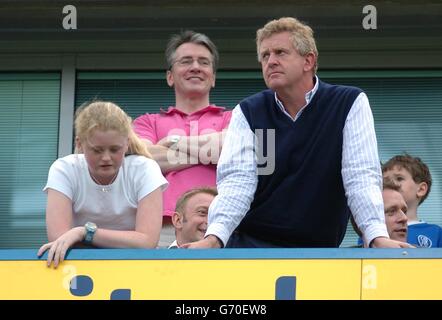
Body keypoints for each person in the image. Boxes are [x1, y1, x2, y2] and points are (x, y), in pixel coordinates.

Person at [183, 17, 413, 249]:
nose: (270, 61)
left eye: (280, 53)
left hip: (321, 251)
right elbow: (237, 182)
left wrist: (376, 237)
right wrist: (215, 238)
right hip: (250, 246)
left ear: (308, 61)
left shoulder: (349, 103)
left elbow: (360, 176)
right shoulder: (249, 111)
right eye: (265, 55)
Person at [37, 101, 168, 268]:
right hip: (77, 268)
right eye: (97, 150)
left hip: (135, 267)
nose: (106, 158)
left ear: (127, 143)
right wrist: (125, 242)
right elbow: (59, 238)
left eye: (114, 149)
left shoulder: (145, 169)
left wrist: (84, 232)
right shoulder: (64, 169)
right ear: (79, 144)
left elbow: (147, 241)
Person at [133, 30, 232, 248]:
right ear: (170, 76)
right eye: (186, 61)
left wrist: (173, 143)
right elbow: (143, 161)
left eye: (204, 62)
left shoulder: (233, 118)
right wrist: (209, 153)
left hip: (219, 227)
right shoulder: (146, 122)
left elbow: (231, 150)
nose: (195, 67)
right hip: (160, 229)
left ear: (213, 77)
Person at [383, 154, 442, 247]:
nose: (391, 183)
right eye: (385, 180)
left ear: (421, 189)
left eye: (399, 178)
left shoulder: (437, 233)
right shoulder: (374, 230)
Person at [350, 177, 409, 246]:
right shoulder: (342, 256)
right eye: (392, 211)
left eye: (404, 211)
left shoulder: (422, 255)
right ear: (363, 220)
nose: (404, 218)